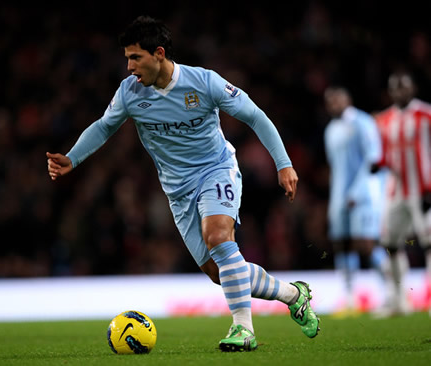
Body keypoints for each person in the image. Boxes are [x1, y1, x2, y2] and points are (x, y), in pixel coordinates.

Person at [46, 16, 319, 351]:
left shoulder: (203, 83)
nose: (129, 66)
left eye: (135, 57)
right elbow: (105, 126)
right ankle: (294, 294)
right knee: (219, 272)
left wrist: (284, 163)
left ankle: (243, 329)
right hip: (177, 190)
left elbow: (254, 115)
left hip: (216, 170)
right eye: (127, 58)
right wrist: (72, 158)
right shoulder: (130, 92)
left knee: (219, 236)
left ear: (159, 53)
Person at [323, 86, 390, 316]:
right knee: (342, 244)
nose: (334, 104)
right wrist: (338, 197)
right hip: (339, 195)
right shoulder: (331, 129)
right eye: (329, 101)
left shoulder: (362, 123)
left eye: (337, 100)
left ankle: (391, 292)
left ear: (347, 100)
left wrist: (357, 193)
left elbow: (374, 160)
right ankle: (350, 298)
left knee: (367, 244)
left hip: (364, 196)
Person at [373, 71, 431, 316]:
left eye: (404, 86)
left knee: (429, 242)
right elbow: (385, 155)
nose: (400, 91)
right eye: (395, 88)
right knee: (390, 243)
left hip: (424, 191)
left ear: (413, 88)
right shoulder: (385, 119)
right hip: (396, 191)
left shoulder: (426, 114)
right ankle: (399, 300)